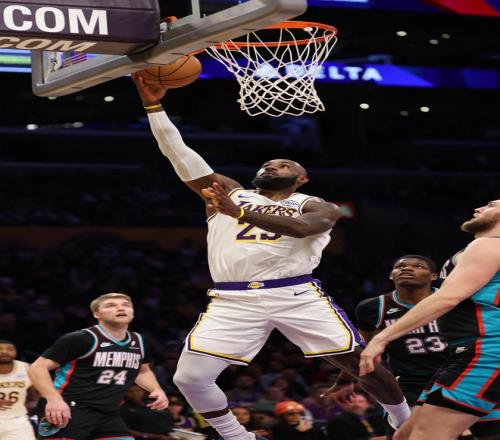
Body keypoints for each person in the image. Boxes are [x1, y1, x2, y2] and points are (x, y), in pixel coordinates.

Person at [132, 75, 411, 440]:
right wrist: (153, 106)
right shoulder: (229, 194)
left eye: (282, 165)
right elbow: (178, 152)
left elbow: (305, 228)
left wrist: (239, 213)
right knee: (189, 377)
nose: (271, 166)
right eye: (267, 164)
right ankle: (236, 436)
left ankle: (404, 421)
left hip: (294, 293)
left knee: (361, 362)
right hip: (233, 298)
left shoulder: (314, 205)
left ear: (301, 178)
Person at [360, 200, 500, 440]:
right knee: (404, 436)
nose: (478, 208)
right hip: (465, 352)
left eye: (491, 205)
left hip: (486, 352)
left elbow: (447, 298)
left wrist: (381, 338)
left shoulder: (489, 245)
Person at [28, 292, 169, 440]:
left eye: (126, 305)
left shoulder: (139, 340)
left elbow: (142, 371)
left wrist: (156, 389)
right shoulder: (80, 338)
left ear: (132, 312)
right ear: (97, 314)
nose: (121, 308)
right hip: (69, 406)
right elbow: (37, 368)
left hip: (108, 412)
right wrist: (53, 399)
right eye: (111, 305)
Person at [0, 340, 38, 440]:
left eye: (10, 349)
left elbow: (36, 394)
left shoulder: (27, 368)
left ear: (16, 352)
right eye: (0, 349)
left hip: (17, 421)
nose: (4, 352)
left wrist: (33, 403)